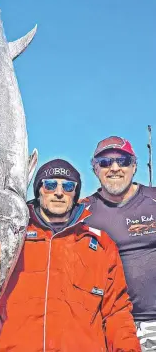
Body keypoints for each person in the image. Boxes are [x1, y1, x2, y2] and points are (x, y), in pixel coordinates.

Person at [0, 158, 141, 352]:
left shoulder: (102, 245)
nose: (59, 192)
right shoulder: (8, 238)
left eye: (68, 186)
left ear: (75, 194)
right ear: (38, 191)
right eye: (50, 184)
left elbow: (117, 314)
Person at [81, 136, 156, 352]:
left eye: (122, 161)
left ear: (134, 166)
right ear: (95, 169)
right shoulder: (82, 212)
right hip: (111, 326)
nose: (115, 168)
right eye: (105, 162)